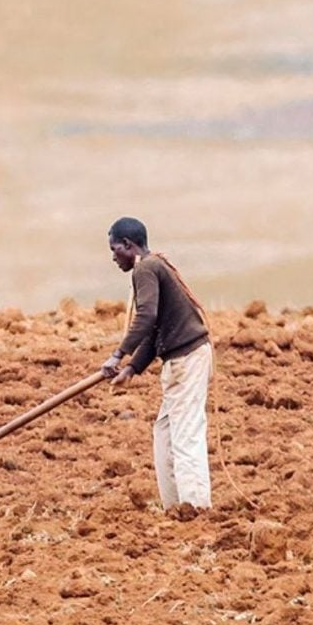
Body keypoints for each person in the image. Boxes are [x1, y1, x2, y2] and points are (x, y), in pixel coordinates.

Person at [100, 216, 213, 518]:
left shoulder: (146, 268)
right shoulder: (152, 266)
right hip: (180, 359)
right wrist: (132, 367)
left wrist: (118, 354)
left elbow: (146, 318)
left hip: (187, 358)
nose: (113, 257)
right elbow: (154, 330)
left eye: (114, 249)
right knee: (165, 432)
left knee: (186, 432)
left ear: (127, 245)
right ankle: (175, 508)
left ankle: (197, 510)